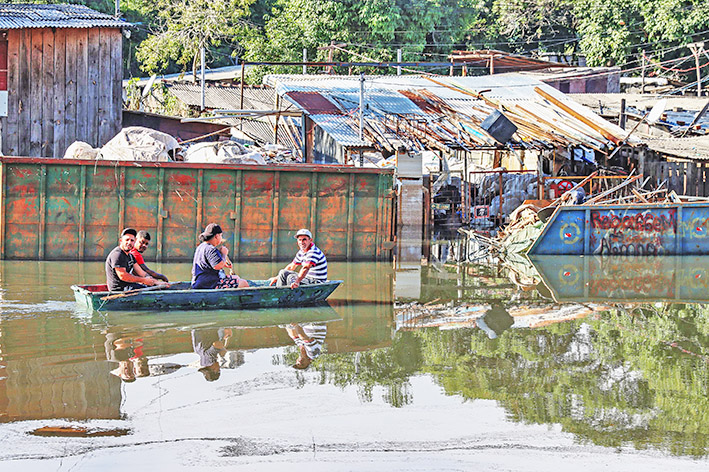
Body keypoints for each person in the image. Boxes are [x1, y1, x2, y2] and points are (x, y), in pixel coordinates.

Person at [191, 223, 249, 289]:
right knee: (244, 283)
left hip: (200, 282)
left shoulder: (201, 247)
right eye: (221, 236)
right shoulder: (211, 249)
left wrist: (224, 263)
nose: (221, 238)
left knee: (236, 277)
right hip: (208, 284)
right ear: (216, 236)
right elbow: (218, 266)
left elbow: (207, 264)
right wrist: (224, 254)